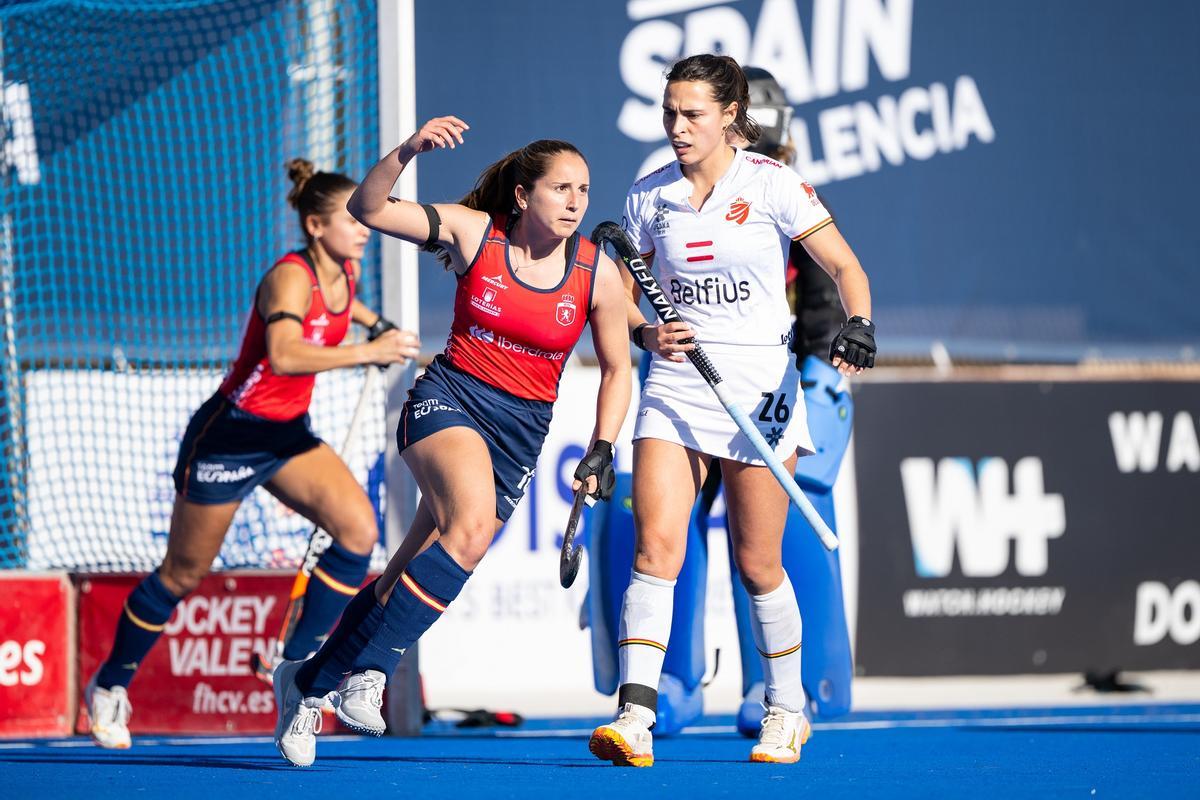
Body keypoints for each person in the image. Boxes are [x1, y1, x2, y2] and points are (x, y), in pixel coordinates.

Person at [271, 117, 632, 767]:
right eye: (560, 189)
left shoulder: (596, 273)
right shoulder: (476, 234)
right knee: (466, 530)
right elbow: (369, 208)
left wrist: (603, 446)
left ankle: (306, 683)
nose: (576, 202)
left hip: (521, 434)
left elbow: (617, 369)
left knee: (411, 570)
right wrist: (408, 150)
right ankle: (373, 672)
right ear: (523, 196)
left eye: (583, 189)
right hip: (450, 400)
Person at [589, 54, 875, 767]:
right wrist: (644, 329)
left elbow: (846, 267)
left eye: (692, 114)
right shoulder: (650, 195)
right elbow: (618, 294)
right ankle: (635, 714)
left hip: (761, 386)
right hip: (678, 386)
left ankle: (787, 706)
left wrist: (859, 322)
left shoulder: (776, 185)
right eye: (669, 113)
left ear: (730, 116)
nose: (677, 127)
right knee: (657, 549)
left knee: (758, 563)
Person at [83, 160, 422, 750]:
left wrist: (378, 326)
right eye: (352, 219)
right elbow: (286, 355)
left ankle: (295, 677)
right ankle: (110, 684)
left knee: (356, 532)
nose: (365, 227)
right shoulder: (287, 278)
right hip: (230, 437)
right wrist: (368, 355)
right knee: (182, 574)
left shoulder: (346, 272)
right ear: (316, 227)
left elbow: (346, 313)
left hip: (287, 436)